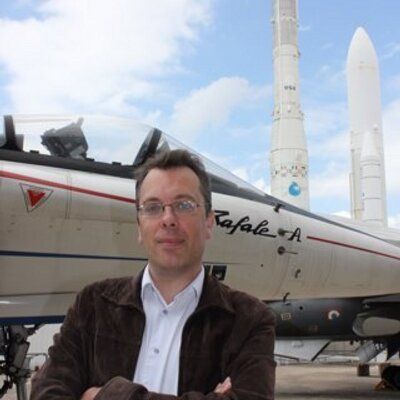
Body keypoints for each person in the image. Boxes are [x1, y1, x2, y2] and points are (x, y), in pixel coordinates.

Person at [30, 149, 276, 400]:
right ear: (139, 226)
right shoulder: (92, 305)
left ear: (209, 223)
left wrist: (108, 396)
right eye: (153, 207)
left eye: (184, 205)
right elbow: (47, 393)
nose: (168, 219)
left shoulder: (249, 320)